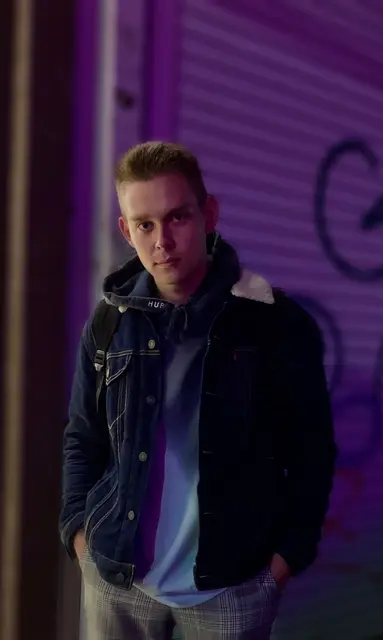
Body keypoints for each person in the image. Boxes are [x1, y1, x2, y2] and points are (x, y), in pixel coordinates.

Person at [59, 141, 337, 640]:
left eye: (177, 217)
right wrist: (79, 535)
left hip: (230, 590)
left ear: (208, 215)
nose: (162, 241)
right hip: (117, 580)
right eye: (144, 225)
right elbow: (83, 436)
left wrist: (285, 561)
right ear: (126, 230)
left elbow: (311, 451)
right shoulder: (108, 324)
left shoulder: (275, 324)